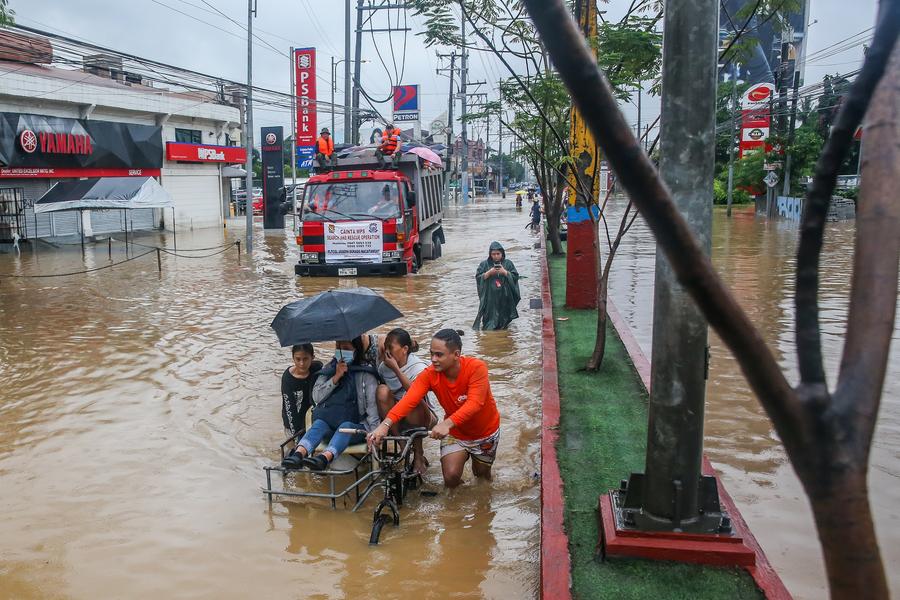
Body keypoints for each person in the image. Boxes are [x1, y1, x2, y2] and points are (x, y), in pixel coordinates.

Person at [368, 329, 501, 488]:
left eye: (439, 355)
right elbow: (410, 399)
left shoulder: (477, 368)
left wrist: (446, 424)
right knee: (450, 478)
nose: (433, 359)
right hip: (456, 433)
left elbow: (475, 404)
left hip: (484, 433)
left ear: (456, 354)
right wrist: (385, 425)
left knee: (482, 478)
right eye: (431, 354)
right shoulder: (430, 374)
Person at [284, 338, 381, 471]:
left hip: (356, 426)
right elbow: (316, 396)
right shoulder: (328, 369)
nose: (341, 351)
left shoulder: (365, 374)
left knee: (345, 427)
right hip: (330, 423)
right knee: (318, 424)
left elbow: (372, 410)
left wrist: (374, 435)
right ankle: (298, 454)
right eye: (338, 347)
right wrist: (335, 377)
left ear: (356, 350)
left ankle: (324, 458)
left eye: (346, 348)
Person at [376, 328, 439, 475]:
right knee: (382, 391)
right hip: (395, 418)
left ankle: (418, 454)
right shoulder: (383, 368)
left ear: (405, 349)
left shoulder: (419, 367)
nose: (387, 352)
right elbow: (384, 398)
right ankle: (403, 446)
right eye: (386, 347)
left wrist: (397, 370)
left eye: (390, 348)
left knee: (411, 401)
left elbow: (414, 394)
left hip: (421, 415)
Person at [280, 344, 323, 460]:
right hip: (293, 424)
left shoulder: (317, 369)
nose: (302, 364)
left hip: (311, 420)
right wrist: (297, 437)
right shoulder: (288, 379)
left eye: (305, 359)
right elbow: (290, 410)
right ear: (293, 358)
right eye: (298, 359)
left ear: (312, 357)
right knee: (295, 455)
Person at [473, 242, 521, 330]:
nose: (495, 256)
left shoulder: (508, 263)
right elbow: (478, 278)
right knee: (489, 323)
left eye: (498, 254)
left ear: (502, 253)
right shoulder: (484, 264)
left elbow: (515, 277)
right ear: (490, 254)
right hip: (489, 299)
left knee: (504, 322)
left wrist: (505, 273)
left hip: (505, 297)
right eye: (493, 254)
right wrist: (489, 273)